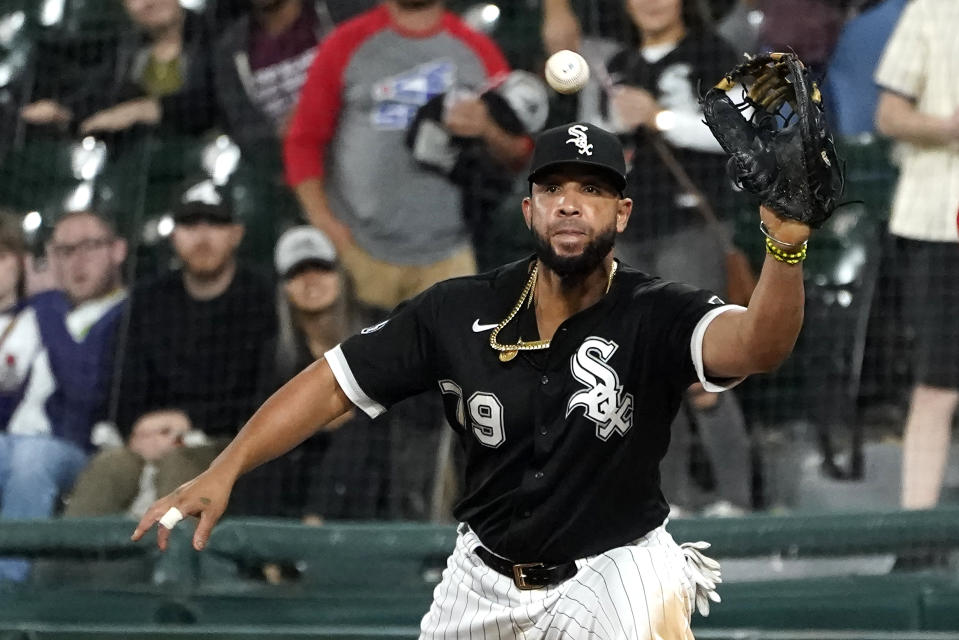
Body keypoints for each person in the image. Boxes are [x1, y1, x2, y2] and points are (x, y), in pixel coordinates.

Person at [134, 121, 813, 637]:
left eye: (593, 190)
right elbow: (333, 380)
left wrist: (783, 247)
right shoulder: (457, 309)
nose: (570, 205)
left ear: (622, 212)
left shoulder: (657, 309)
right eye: (553, 189)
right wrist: (226, 467)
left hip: (616, 564)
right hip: (483, 576)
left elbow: (758, 345)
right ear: (528, 209)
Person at [284, 0, 532, 315]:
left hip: (449, 254)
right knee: (364, 364)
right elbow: (303, 141)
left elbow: (519, 152)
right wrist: (325, 224)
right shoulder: (345, 44)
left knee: (451, 362)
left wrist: (488, 129)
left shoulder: (476, 49)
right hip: (361, 252)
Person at [606, 0, 753, 515]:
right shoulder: (619, 62)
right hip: (627, 232)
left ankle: (735, 503)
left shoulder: (715, 53)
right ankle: (666, 505)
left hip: (691, 228)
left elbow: (743, 135)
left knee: (704, 365)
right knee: (643, 373)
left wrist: (660, 117)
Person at [112, 178, 276, 506]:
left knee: (180, 466)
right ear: (173, 236)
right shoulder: (149, 299)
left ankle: (171, 559)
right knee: (108, 468)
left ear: (236, 234)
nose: (202, 237)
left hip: (230, 445)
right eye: (189, 225)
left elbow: (263, 398)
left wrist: (189, 422)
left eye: (214, 224)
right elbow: (122, 388)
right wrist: (141, 428)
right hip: (149, 439)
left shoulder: (262, 298)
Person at [0, 210, 128, 582]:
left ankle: (9, 590)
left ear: (117, 251)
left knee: (31, 458)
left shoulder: (127, 313)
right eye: (64, 251)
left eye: (89, 246)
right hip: (14, 442)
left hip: (79, 448)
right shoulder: (34, 313)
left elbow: (86, 391)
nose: (77, 261)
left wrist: (49, 308)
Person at [235, 226, 386, 521]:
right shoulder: (276, 354)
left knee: (358, 432)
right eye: (297, 272)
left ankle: (314, 527)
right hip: (300, 463)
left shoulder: (380, 327)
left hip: (376, 466)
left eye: (321, 268)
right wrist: (316, 418)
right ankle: (265, 545)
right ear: (284, 289)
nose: (310, 280)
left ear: (340, 275)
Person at [873, 0, 959, 509]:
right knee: (937, 385)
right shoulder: (931, 10)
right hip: (937, 226)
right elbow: (890, 114)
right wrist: (950, 127)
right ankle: (917, 540)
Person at [21, 0, 215, 137]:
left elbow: (216, 98)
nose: (149, 2)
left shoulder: (215, 34)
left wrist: (150, 109)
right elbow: (103, 96)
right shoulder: (128, 51)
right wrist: (65, 112)